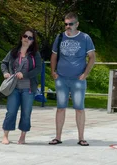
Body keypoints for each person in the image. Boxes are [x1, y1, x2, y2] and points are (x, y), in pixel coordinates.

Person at [49, 12, 96, 146]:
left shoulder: (85, 38)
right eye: (66, 24)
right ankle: (57, 137)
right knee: (60, 107)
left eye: (71, 24)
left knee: (79, 108)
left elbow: (92, 57)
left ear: (77, 24)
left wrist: (85, 73)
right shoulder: (59, 37)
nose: (68, 26)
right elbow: (53, 55)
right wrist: (53, 71)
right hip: (61, 78)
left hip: (78, 79)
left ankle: (81, 138)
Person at [0, 29, 42, 145]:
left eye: (30, 38)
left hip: (28, 88)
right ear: (21, 37)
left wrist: (25, 75)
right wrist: (5, 73)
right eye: (25, 36)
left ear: (33, 41)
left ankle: (22, 136)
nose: (27, 39)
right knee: (11, 111)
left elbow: (38, 69)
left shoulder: (35, 55)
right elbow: (4, 63)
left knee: (26, 112)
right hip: (14, 87)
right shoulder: (14, 52)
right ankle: (5, 135)